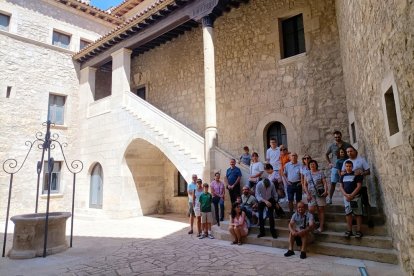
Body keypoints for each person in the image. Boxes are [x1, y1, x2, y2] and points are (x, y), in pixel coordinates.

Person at [341, 146, 372, 226]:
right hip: (350, 187)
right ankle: (354, 220)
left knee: (365, 202)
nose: (349, 153)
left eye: (351, 151)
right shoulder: (346, 162)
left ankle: (370, 219)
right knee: (352, 203)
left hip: (361, 185)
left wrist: (361, 173)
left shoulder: (361, 160)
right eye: (347, 152)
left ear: (355, 151)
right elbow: (342, 173)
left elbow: (368, 171)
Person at [325, 130, 352, 204]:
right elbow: (326, 154)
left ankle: (348, 198)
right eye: (335, 137)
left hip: (345, 167)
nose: (337, 138)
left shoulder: (347, 145)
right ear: (334, 137)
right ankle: (330, 199)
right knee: (333, 183)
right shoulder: (332, 146)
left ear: (341, 136)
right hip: (335, 167)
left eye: (338, 136)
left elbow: (353, 151)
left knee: (346, 183)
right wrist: (330, 163)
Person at [339, 160, 364, 238]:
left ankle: (359, 231)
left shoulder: (357, 175)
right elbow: (341, 186)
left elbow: (359, 186)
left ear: (352, 167)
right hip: (347, 198)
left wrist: (352, 195)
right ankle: (349, 230)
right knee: (348, 214)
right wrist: (346, 195)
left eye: (350, 166)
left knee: (358, 214)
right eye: (347, 166)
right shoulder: (342, 176)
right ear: (345, 167)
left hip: (356, 198)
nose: (348, 168)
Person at [304, 160, 328, 233]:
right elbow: (305, 185)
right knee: (311, 210)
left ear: (316, 165)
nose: (312, 165)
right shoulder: (307, 174)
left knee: (321, 210)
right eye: (310, 164)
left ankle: (321, 227)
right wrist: (307, 194)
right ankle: (312, 225)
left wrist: (326, 191)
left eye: (313, 164)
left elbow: (324, 183)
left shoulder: (320, 173)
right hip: (311, 194)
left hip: (320, 193)